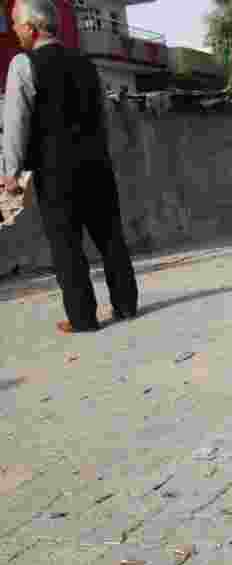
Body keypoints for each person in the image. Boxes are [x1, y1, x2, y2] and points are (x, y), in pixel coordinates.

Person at [1, 0, 138, 332]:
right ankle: (126, 305)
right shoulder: (86, 63)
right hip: (97, 165)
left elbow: (16, 122)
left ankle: (83, 318)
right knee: (110, 237)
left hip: (54, 171)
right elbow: (102, 116)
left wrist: (10, 172)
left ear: (31, 27)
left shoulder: (23, 63)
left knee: (66, 245)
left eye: (16, 24)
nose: (15, 30)